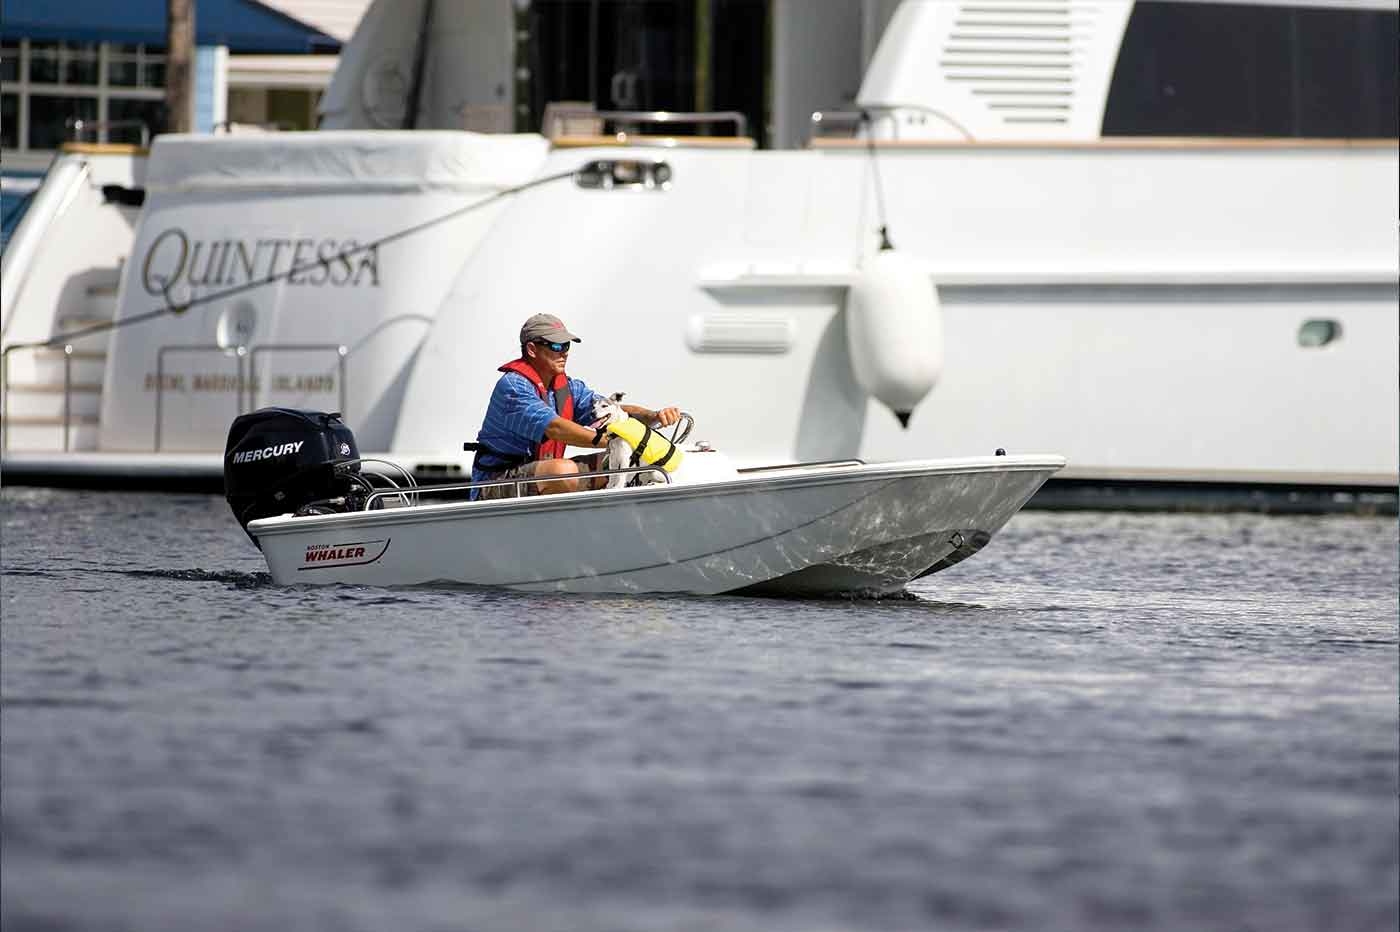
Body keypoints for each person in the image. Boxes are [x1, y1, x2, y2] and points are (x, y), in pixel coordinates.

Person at [469, 313, 680, 499]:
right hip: (495, 483)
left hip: (543, 475)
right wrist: (612, 440)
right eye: (556, 346)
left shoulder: (567, 387)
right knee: (563, 471)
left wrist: (654, 415)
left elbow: (613, 411)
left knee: (624, 460)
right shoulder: (513, 387)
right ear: (532, 349)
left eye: (567, 346)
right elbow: (555, 428)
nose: (564, 352)